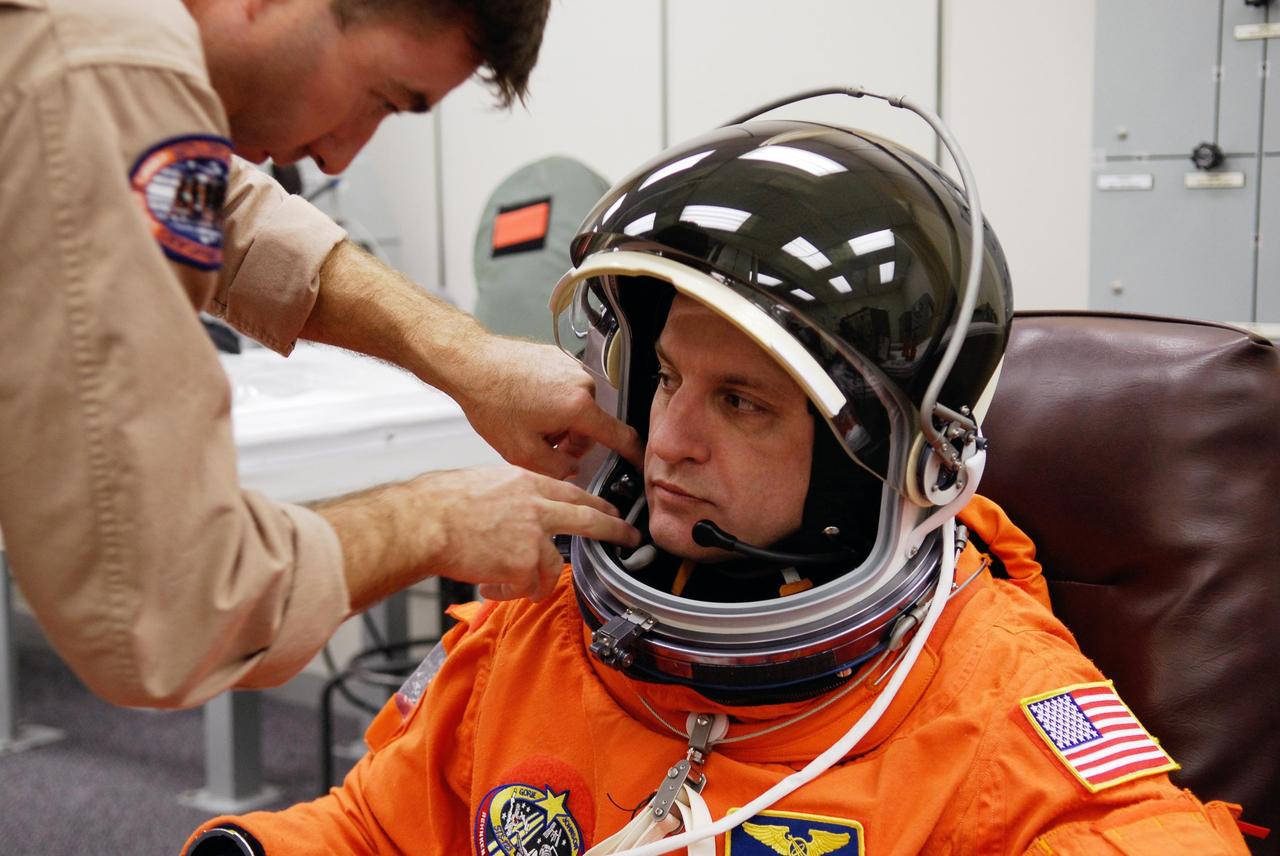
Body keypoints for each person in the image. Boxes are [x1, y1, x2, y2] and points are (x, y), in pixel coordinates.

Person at [180, 120, 1250, 855]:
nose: (669, 443)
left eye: (743, 402)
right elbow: (377, 826)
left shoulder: (984, 702)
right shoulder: (540, 621)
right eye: (669, 378)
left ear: (871, 455)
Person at [0, 0, 641, 711]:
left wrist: (468, 356)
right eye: (382, 99)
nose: (338, 156)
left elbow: (229, 215)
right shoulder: (109, 64)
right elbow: (169, 605)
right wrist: (437, 519)